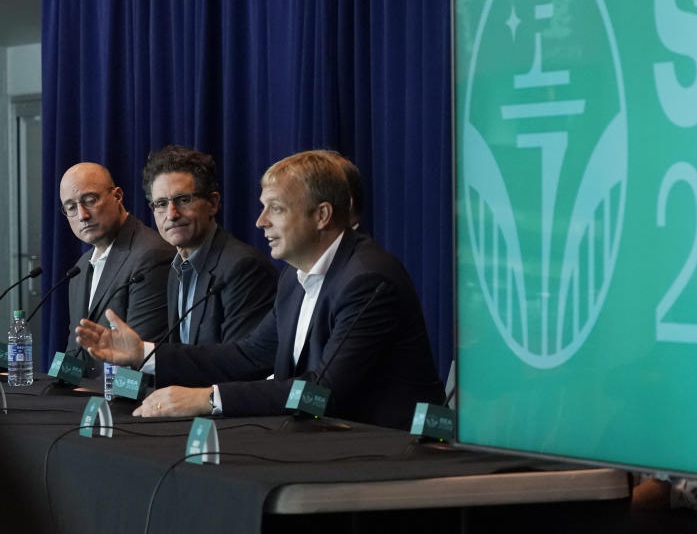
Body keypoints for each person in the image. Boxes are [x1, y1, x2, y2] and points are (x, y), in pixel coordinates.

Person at [77, 150, 445, 429]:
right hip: (330, 441)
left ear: (321, 216)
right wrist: (144, 352)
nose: (260, 221)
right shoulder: (293, 277)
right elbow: (250, 355)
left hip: (391, 452)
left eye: (276, 209)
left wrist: (208, 398)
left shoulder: (367, 280)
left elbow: (322, 392)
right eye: (262, 208)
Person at [142, 145, 278, 345]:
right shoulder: (177, 268)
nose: (171, 214)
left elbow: (240, 363)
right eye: (161, 204)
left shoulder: (244, 268)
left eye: (183, 200)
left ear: (213, 203)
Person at [60, 162, 175, 377]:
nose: (82, 215)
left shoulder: (150, 255)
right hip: (85, 399)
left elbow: (137, 360)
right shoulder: (81, 267)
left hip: (129, 401)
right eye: (71, 207)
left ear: (118, 196)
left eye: (90, 200)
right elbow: (75, 351)